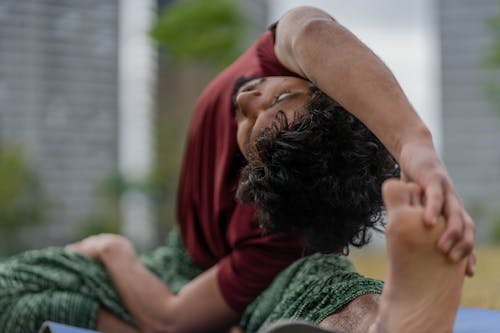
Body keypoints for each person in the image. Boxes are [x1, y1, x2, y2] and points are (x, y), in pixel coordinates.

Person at [0, 6, 474, 333]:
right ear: (322, 86)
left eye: (251, 132)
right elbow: (311, 29)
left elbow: (173, 317)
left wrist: (113, 247)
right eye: (283, 98)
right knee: (13, 293)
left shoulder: (277, 231)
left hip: (223, 292)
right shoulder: (282, 57)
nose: (247, 99)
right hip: (178, 272)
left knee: (315, 282)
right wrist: (416, 146)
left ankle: (379, 320)